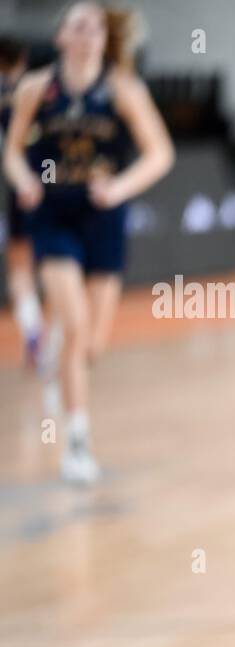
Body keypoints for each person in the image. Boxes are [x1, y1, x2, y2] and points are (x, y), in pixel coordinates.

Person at [2, 3, 174, 484]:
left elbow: (160, 153)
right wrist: (24, 182)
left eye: (96, 27)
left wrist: (119, 188)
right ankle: (76, 445)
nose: (88, 34)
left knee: (92, 344)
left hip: (103, 217)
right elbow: (11, 152)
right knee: (76, 327)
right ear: (60, 37)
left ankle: (60, 354)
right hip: (53, 214)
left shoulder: (122, 89)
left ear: (104, 37)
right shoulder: (37, 87)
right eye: (78, 26)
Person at [0, 36, 43, 370]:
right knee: (55, 263)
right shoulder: (45, 91)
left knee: (20, 267)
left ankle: (34, 330)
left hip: (24, 190)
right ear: (23, 57)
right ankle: (47, 335)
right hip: (52, 187)